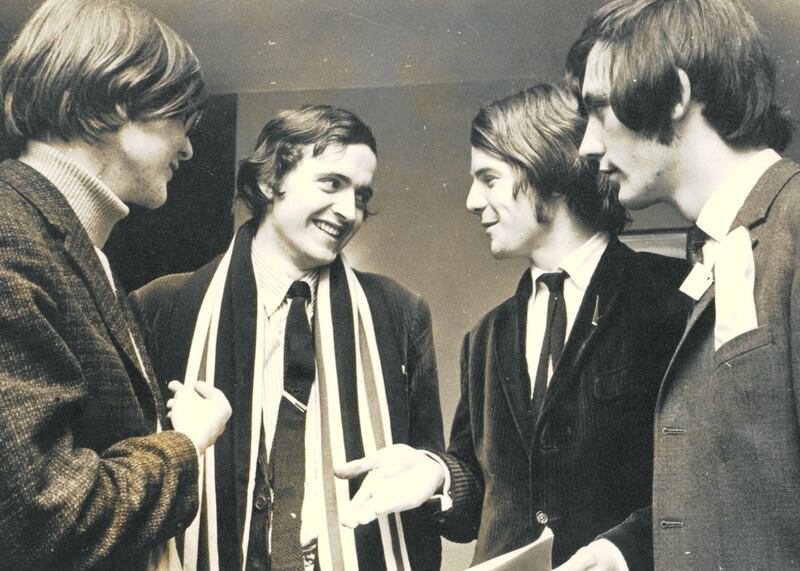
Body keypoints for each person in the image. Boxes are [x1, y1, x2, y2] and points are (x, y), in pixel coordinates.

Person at [334, 82, 688, 567]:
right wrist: (437, 473)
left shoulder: (673, 299)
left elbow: (712, 473)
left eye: (489, 178)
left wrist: (628, 551)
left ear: (551, 171)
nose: (471, 201)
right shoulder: (485, 337)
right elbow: (473, 499)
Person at [130, 104, 445, 570]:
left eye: (361, 195)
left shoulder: (398, 312)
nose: (349, 211)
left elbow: (427, 474)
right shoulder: (164, 306)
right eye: (332, 184)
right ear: (268, 180)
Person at [559, 0, 800, 569]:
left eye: (600, 109)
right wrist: (624, 552)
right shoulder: (719, 245)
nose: (587, 145)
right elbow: (748, 481)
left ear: (676, 94)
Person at [0, 0, 232, 569]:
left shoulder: (82, 250)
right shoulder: (10, 235)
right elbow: (47, 517)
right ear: (116, 102)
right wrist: (186, 443)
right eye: (181, 119)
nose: (189, 148)